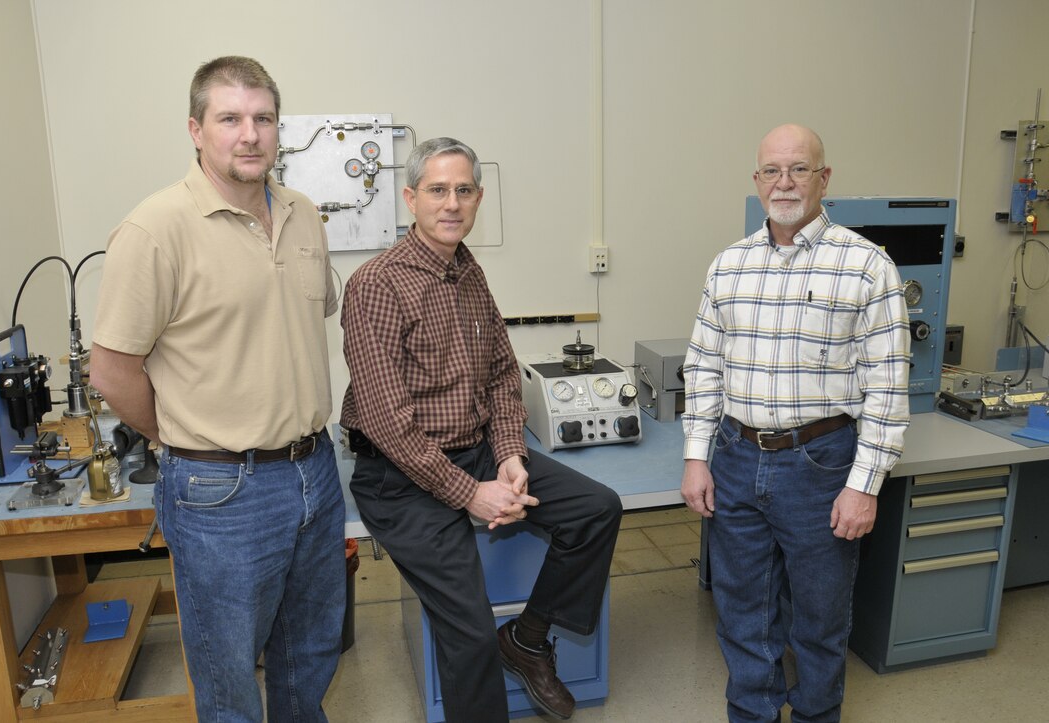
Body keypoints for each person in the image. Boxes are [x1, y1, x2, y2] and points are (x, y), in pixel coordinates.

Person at [89, 56, 345, 723]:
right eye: (230, 118)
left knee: (311, 651)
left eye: (263, 117)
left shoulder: (303, 215)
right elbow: (112, 372)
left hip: (315, 471)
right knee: (228, 674)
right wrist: (178, 433)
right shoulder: (155, 229)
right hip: (220, 490)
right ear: (196, 130)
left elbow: (297, 324)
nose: (249, 133)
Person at [340, 137, 623, 722]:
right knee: (467, 631)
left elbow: (500, 374)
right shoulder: (377, 285)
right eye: (438, 190)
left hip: (476, 454)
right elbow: (387, 422)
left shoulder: (468, 271)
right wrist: (471, 494)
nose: (452, 203)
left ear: (479, 197)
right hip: (399, 477)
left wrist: (511, 456)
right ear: (410, 198)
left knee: (595, 509)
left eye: (463, 190)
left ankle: (526, 638)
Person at [680, 124, 910, 722]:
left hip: (822, 463)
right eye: (772, 171)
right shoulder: (729, 265)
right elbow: (703, 366)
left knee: (819, 621)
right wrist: (696, 455)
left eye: (799, 169)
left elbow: (888, 386)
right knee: (742, 615)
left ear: (823, 178)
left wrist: (864, 485)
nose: (784, 183)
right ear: (757, 181)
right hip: (734, 454)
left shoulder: (866, 266)